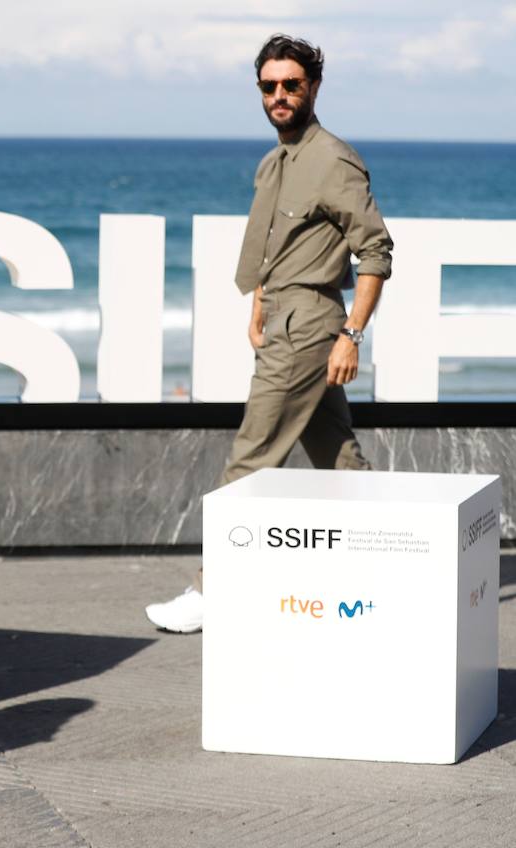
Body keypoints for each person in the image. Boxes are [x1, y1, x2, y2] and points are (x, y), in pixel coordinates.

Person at [145, 34, 393, 634]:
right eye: (269, 86)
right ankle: (389, 570)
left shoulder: (333, 160)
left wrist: (350, 335)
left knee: (251, 459)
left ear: (313, 87)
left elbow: (376, 251)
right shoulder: (275, 160)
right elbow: (276, 247)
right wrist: (257, 304)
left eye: (291, 84)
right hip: (282, 315)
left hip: (309, 326)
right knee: (338, 457)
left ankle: (213, 591)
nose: (279, 95)